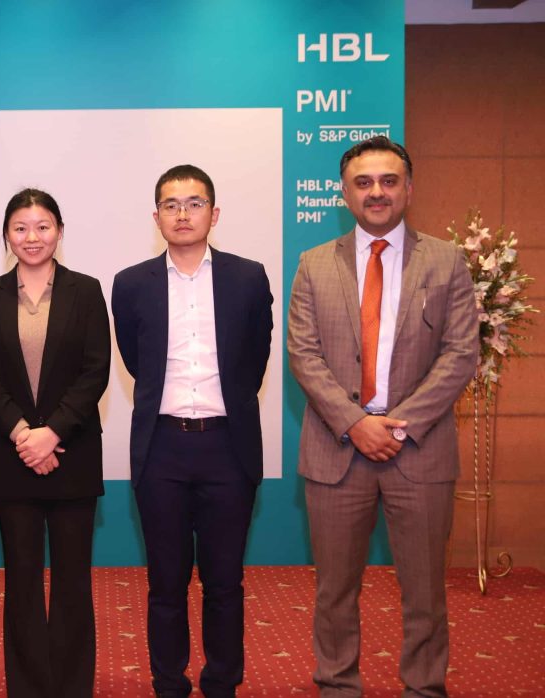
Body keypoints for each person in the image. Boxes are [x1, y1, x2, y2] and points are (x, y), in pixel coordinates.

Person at [287, 136, 478, 697]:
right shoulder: (313, 264)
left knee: (425, 592)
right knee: (334, 591)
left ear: (408, 190)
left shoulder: (446, 260)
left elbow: (460, 353)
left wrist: (397, 425)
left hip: (419, 450)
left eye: (389, 181)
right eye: (364, 182)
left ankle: (424, 688)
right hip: (337, 451)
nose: (377, 192)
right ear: (344, 194)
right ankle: (337, 685)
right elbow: (303, 354)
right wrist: (355, 422)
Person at [112, 165, 273, 697]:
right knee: (166, 582)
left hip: (229, 447)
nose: (183, 214)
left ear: (214, 213)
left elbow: (254, 360)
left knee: (225, 581)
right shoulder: (130, 283)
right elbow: (136, 362)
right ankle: (169, 683)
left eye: (195, 203)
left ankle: (222, 681)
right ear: (156, 216)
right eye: (171, 205)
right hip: (162, 448)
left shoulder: (248, 278)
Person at [0, 188, 110, 697]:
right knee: (21, 581)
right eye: (21, 228)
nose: (32, 237)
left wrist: (51, 433)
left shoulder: (86, 291)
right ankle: (27, 687)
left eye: (43, 226)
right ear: (7, 235)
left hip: (72, 453)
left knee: (73, 582)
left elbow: (96, 371)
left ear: (60, 231)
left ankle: (71, 687)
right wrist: (23, 434)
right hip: (12, 457)